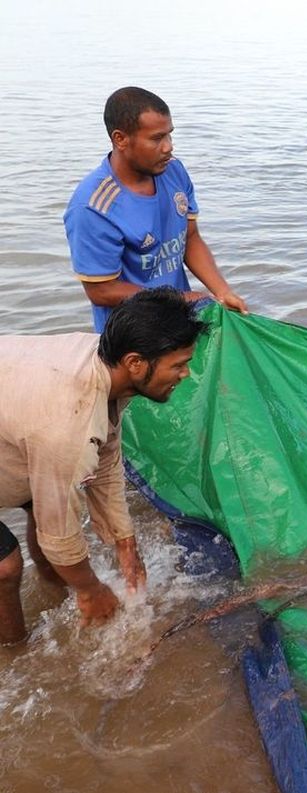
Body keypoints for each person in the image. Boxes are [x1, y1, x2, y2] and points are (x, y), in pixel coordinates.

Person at [0, 288, 208, 644]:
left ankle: (55, 598)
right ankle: (12, 654)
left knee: (43, 513)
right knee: (5, 568)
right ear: (136, 363)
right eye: (178, 364)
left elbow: (106, 457)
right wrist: (90, 588)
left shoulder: (107, 367)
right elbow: (59, 529)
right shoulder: (66, 424)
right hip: (35, 420)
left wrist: (124, 542)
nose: (185, 374)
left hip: (14, 418)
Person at [64, 87, 248, 333]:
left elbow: (190, 238)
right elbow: (102, 290)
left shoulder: (173, 172)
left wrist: (223, 292)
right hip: (133, 338)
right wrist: (181, 299)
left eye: (169, 135)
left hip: (178, 320)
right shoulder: (93, 206)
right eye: (156, 139)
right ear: (120, 139)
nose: (168, 147)